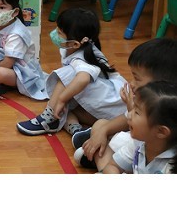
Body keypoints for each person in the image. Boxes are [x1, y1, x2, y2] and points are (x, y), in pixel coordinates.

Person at [17, 8, 127, 136]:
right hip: (105, 110)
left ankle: (48, 118)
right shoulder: (73, 47)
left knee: (68, 76)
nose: (54, 34)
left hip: (114, 106)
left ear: (75, 44)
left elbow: (83, 79)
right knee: (64, 111)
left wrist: (62, 99)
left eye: (59, 33)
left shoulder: (81, 59)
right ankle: (77, 131)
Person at [72, 37, 177, 170]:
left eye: (137, 78)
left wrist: (132, 107)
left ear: (161, 84)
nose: (131, 83)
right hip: (138, 142)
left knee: (117, 142)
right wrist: (103, 131)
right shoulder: (146, 102)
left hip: (146, 144)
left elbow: (138, 126)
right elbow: (128, 120)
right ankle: (96, 147)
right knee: (101, 125)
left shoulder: (166, 110)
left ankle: (96, 154)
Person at [102, 80, 177, 174]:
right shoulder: (139, 143)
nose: (129, 115)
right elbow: (112, 166)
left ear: (161, 131)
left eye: (136, 112)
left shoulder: (171, 167)